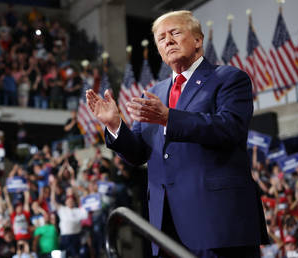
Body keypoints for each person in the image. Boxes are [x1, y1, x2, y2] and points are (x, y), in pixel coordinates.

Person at [86, 10, 269, 257]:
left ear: (197, 40)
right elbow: (139, 153)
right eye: (161, 38)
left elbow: (229, 128)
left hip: (218, 222)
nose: (168, 41)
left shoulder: (228, 79)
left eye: (175, 33)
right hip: (166, 226)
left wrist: (169, 118)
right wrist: (115, 125)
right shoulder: (153, 93)